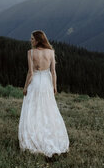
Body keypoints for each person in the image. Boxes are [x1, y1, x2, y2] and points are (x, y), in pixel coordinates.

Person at [18, 30, 69, 158]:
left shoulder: (30, 53)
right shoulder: (51, 52)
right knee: (48, 109)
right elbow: (53, 72)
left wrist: (25, 87)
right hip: (46, 82)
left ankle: (34, 135)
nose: (31, 40)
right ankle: (51, 135)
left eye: (32, 39)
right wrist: (54, 86)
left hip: (35, 82)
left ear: (38, 40)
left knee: (33, 109)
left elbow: (30, 73)